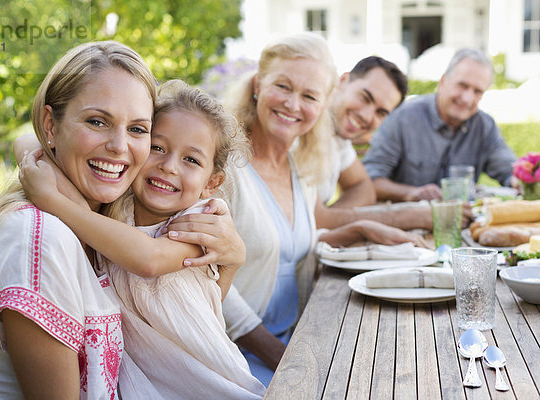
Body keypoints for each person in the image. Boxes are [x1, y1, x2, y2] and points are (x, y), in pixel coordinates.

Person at [0, 41, 244, 399]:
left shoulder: (106, 220)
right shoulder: (40, 239)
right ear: (50, 124)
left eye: (137, 129)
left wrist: (234, 259)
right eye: (97, 121)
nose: (119, 146)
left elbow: (192, 308)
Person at [165, 32, 430, 387]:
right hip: (230, 356)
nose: (293, 104)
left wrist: (362, 232)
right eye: (283, 86)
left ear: (322, 105)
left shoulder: (300, 163)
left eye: (309, 96)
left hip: (293, 337)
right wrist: (285, 358)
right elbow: (200, 275)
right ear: (258, 84)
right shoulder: (222, 168)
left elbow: (287, 249)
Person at [19, 80, 266, 399]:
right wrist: (38, 168)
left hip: (210, 386)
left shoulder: (201, 222)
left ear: (211, 182)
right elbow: (26, 141)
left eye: (191, 160)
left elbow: (147, 260)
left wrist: (52, 201)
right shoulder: (116, 207)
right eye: (157, 147)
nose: (169, 166)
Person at [362, 48, 518, 202]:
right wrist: (412, 193)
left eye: (477, 91)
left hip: (463, 222)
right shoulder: (403, 118)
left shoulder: (485, 126)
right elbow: (370, 179)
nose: (467, 99)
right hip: (406, 221)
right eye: (462, 86)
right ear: (443, 82)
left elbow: (510, 170)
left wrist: (519, 180)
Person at [318, 56, 408, 208]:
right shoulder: (303, 124)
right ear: (343, 81)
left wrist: (331, 216)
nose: (367, 116)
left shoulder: (338, 138)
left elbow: (364, 189)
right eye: (365, 98)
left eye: (380, 113)